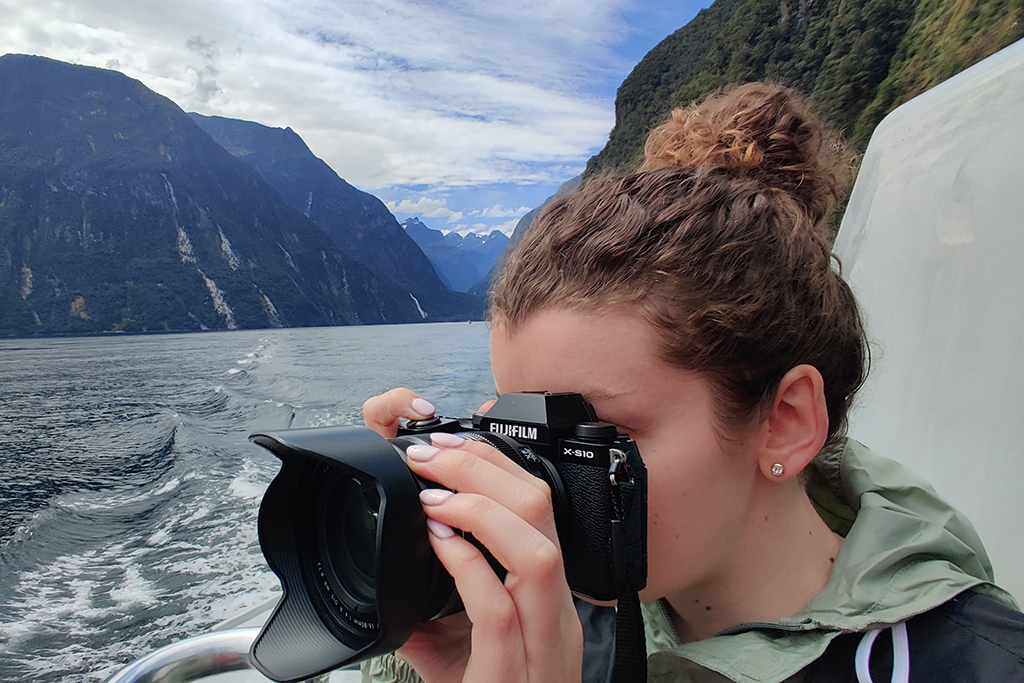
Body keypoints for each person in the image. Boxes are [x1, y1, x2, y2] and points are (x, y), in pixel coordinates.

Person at [359, 83, 1024, 682]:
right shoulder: (553, 609)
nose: (535, 487)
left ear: (786, 420)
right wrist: (414, 591)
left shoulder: (977, 663)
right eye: (522, 429)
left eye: (592, 435)